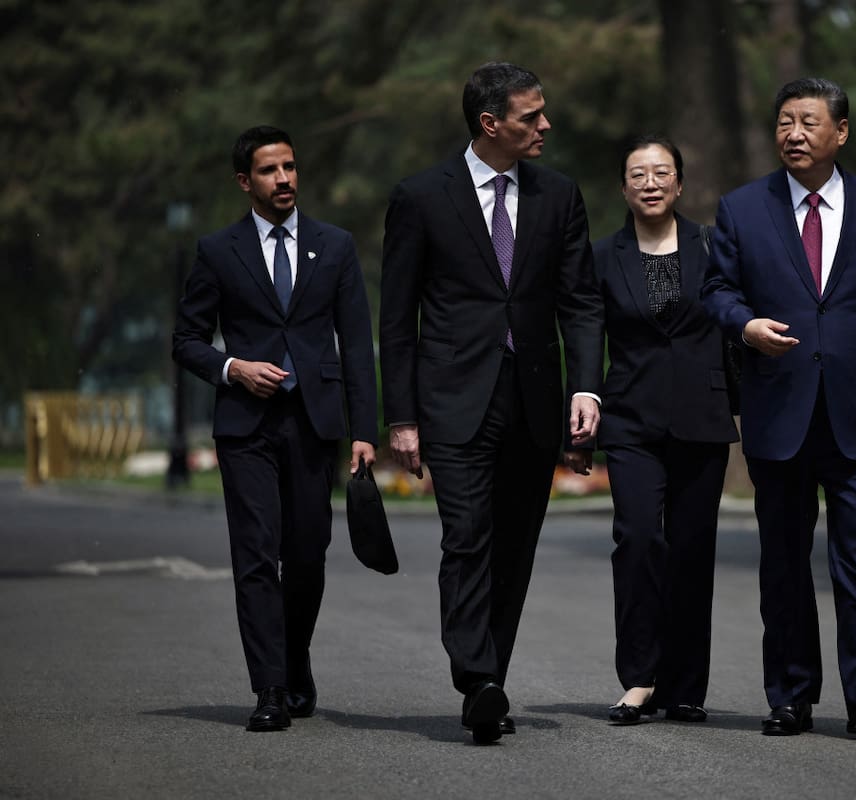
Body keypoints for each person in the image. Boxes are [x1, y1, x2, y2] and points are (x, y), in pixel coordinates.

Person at [378, 62, 605, 744]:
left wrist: (587, 386)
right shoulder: (420, 197)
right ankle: (476, 676)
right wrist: (402, 416)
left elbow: (581, 301)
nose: (545, 125)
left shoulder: (560, 196)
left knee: (514, 546)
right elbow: (396, 318)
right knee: (467, 536)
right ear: (490, 124)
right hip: (452, 401)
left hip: (534, 401)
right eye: (531, 117)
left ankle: (490, 681)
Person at [701, 78, 856, 736]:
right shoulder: (743, 208)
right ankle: (791, 694)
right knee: (785, 562)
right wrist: (745, 327)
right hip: (781, 411)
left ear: (841, 133)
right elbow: (716, 290)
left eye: (809, 122)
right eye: (785, 122)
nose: (794, 133)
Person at [173, 125, 378, 732]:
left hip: (315, 425)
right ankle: (269, 688)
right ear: (245, 181)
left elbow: (357, 347)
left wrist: (364, 429)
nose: (284, 178)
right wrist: (233, 367)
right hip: (246, 429)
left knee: (307, 555)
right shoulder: (218, 250)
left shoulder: (335, 246)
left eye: (290, 167)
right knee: (256, 557)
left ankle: (294, 658)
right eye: (269, 170)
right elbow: (185, 340)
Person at [592, 136, 738, 725]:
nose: (650, 183)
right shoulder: (603, 256)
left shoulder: (714, 246)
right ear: (623, 187)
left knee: (692, 550)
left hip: (701, 418)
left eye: (661, 173)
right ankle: (639, 678)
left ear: (679, 184)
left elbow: (734, 321)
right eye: (638, 174)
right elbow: (586, 336)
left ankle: (683, 687)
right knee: (637, 540)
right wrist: (583, 415)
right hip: (630, 418)